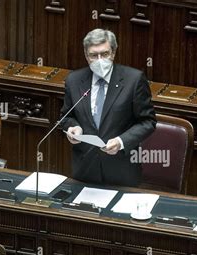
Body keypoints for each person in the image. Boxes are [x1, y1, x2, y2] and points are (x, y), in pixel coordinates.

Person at [61, 29, 156, 187]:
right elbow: (66, 116)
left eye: (104, 54)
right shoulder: (74, 80)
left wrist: (121, 141)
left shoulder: (134, 80)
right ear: (86, 56)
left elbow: (148, 122)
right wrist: (73, 127)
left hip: (121, 172)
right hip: (84, 172)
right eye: (94, 55)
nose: (99, 60)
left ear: (113, 53)